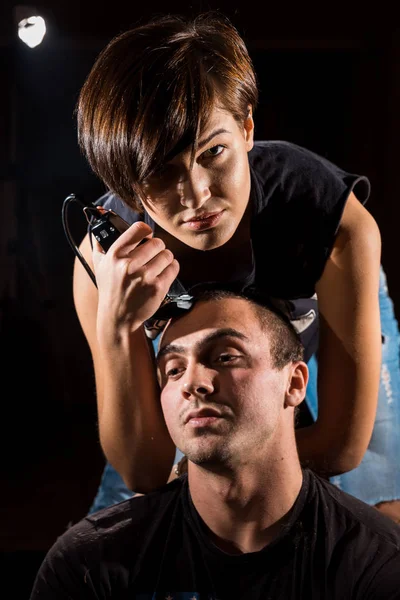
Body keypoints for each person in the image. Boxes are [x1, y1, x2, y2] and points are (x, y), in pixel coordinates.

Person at [72, 12, 400, 520]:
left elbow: (339, 444)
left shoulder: (330, 220)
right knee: (126, 521)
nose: (197, 194)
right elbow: (145, 469)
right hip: (198, 358)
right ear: (130, 186)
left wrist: (210, 469)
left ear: (247, 128)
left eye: (214, 152)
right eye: (162, 172)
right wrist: (117, 327)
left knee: (378, 506)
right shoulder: (109, 259)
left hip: (319, 320)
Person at [30, 291, 400, 599]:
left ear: (294, 384)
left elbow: (345, 445)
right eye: (173, 369)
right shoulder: (84, 566)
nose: (192, 382)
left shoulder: (378, 563)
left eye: (225, 357)